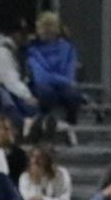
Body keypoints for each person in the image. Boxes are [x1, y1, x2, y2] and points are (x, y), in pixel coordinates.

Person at [25, 11, 81, 140]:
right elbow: (40, 76)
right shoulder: (32, 49)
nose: (46, 31)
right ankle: (43, 125)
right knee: (47, 93)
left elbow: (70, 73)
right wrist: (61, 79)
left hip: (63, 85)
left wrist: (60, 79)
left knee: (73, 95)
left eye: (50, 27)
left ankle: (69, 125)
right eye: (43, 27)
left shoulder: (68, 47)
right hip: (42, 85)